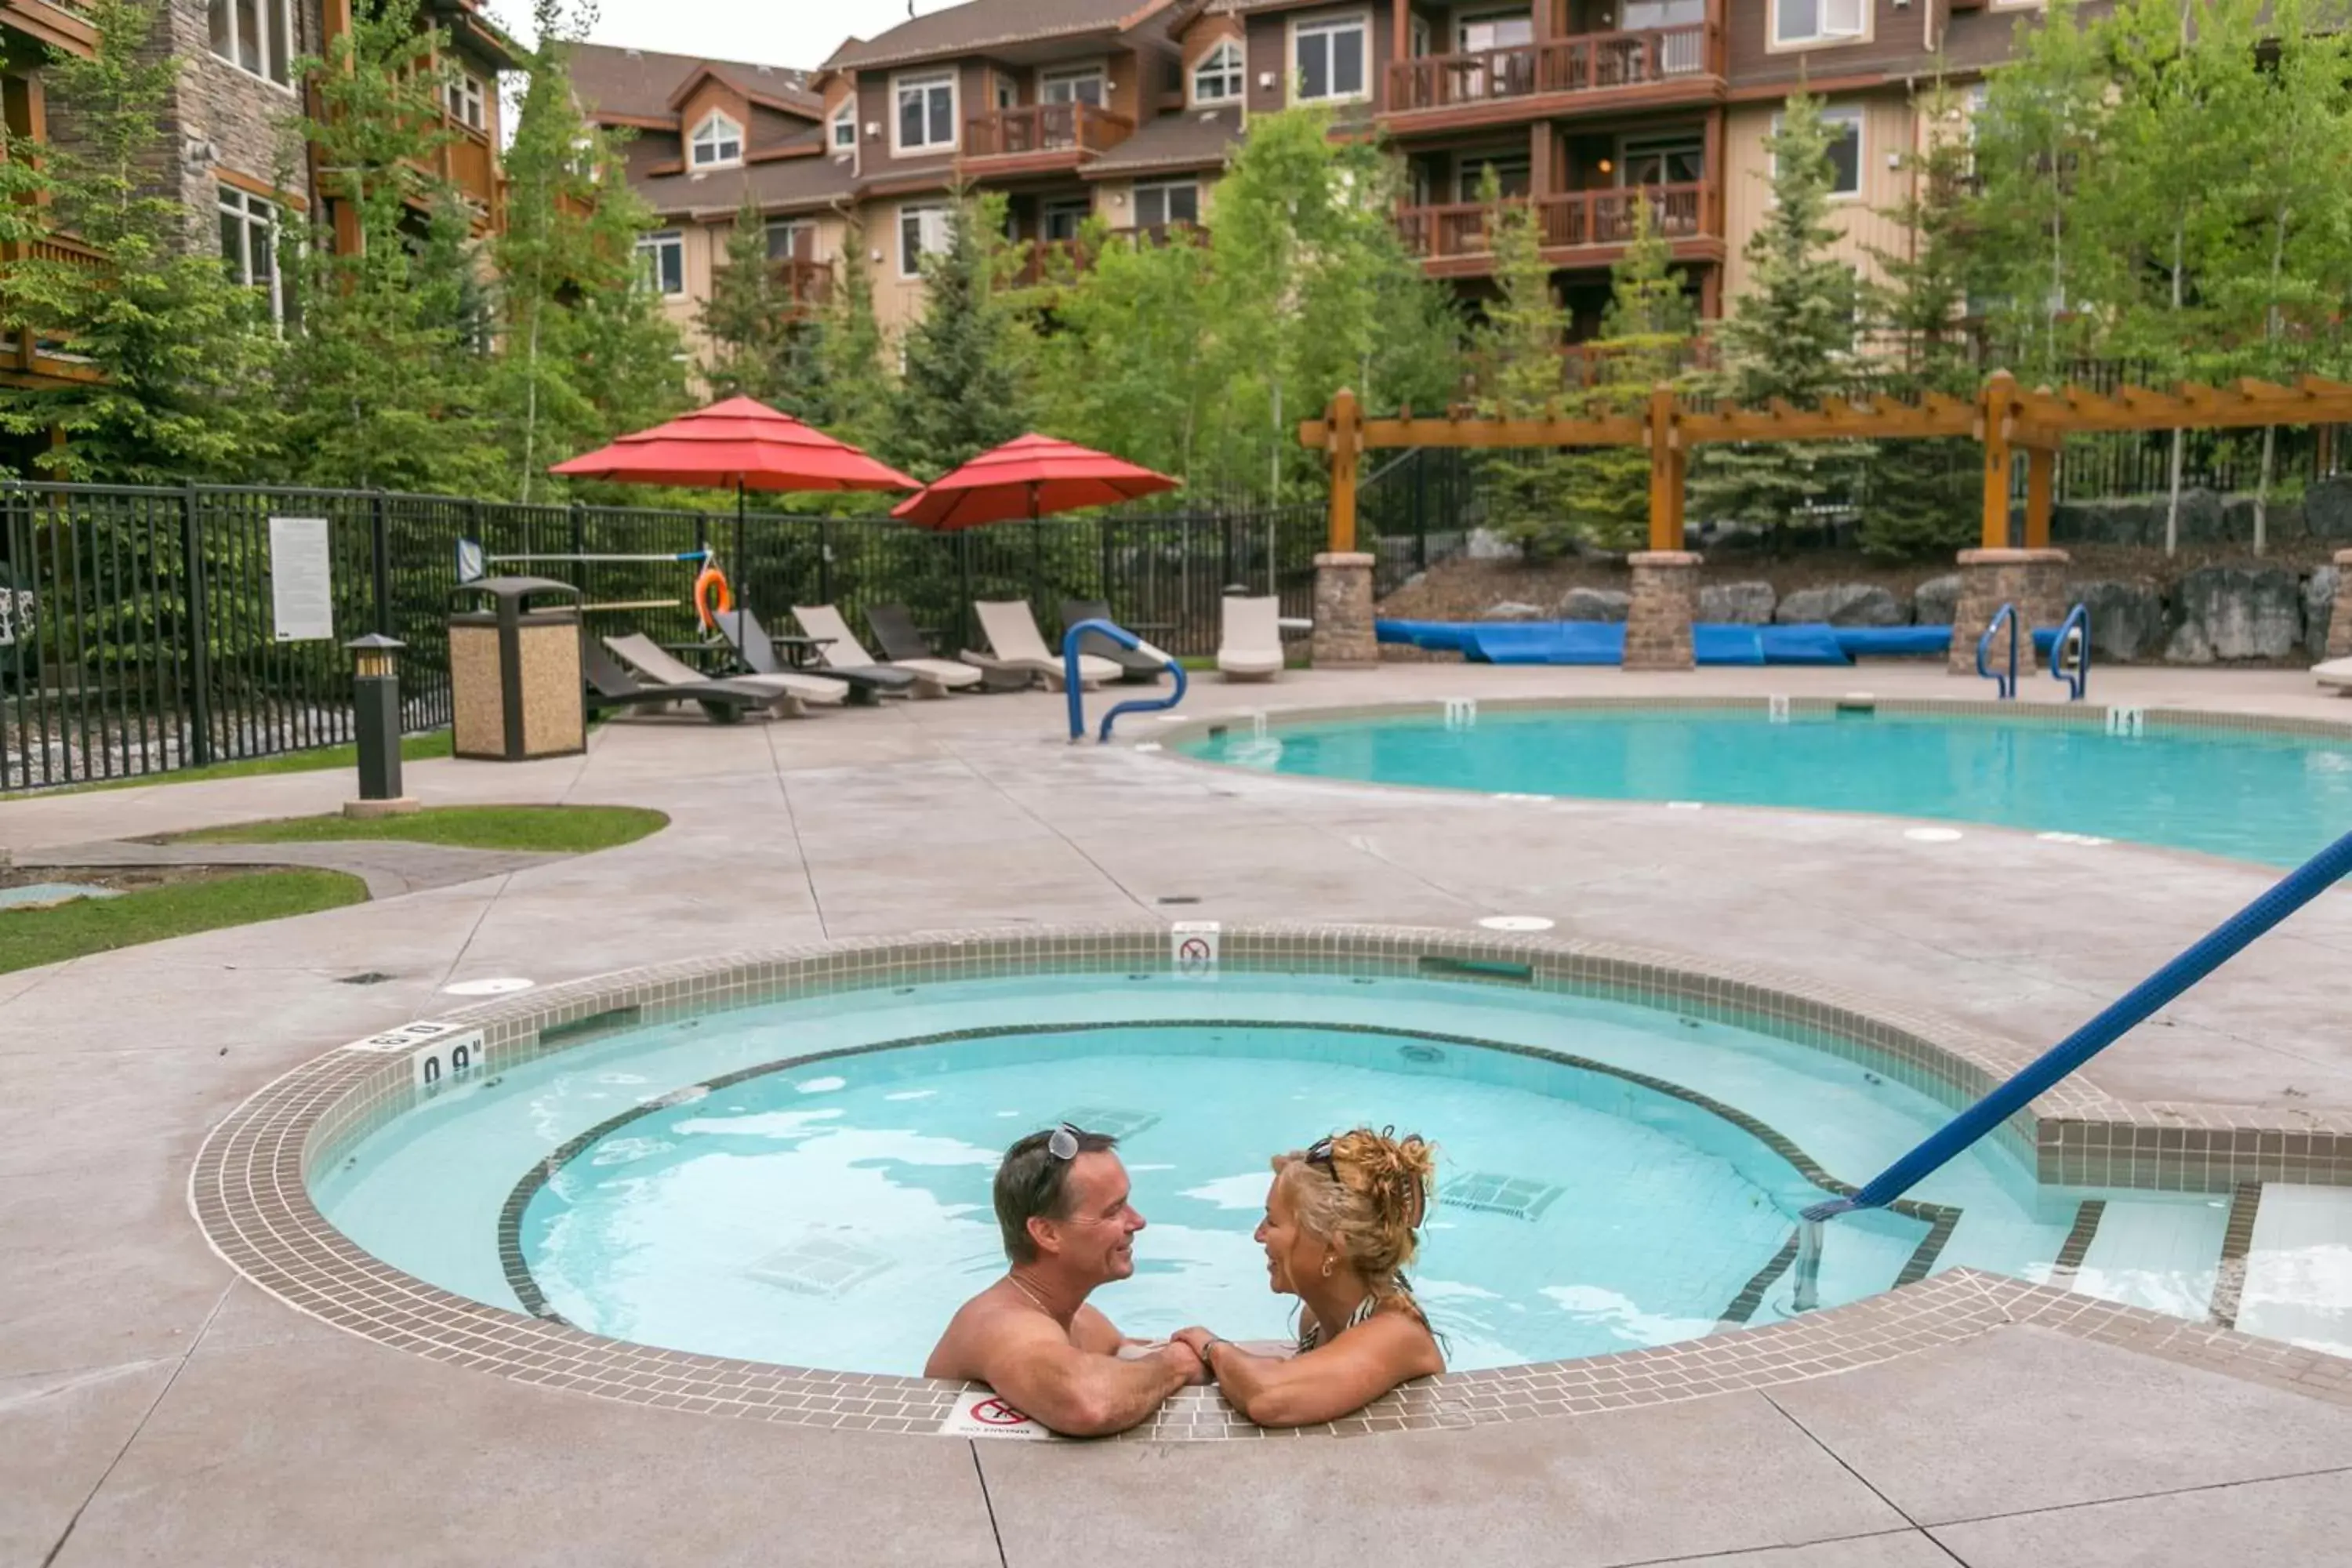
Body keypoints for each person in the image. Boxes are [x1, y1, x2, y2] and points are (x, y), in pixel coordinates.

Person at [925, 1123, 1206, 1436]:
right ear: (1047, 1233)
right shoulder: (1000, 1325)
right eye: (1113, 1211)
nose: (1137, 1221)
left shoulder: (1082, 1319)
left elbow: (1130, 1359)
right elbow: (1089, 1404)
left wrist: (1210, 1352)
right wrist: (1176, 1363)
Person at [1174, 1127, 1444, 1428]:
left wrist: (1211, 1347)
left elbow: (1270, 1398)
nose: (1258, 1235)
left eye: (1273, 1222)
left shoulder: (1397, 1332)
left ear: (1331, 1245)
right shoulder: (1316, 1318)